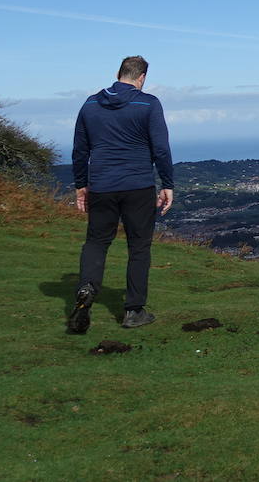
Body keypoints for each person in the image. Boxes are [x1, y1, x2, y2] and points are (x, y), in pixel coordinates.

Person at [66, 55, 174, 333]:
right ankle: (134, 310)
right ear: (142, 78)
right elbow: (160, 148)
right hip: (137, 185)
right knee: (138, 246)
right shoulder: (148, 103)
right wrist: (167, 183)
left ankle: (87, 288)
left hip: (101, 185)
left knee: (97, 241)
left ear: (119, 73)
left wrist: (81, 184)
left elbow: (80, 150)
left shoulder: (90, 104)